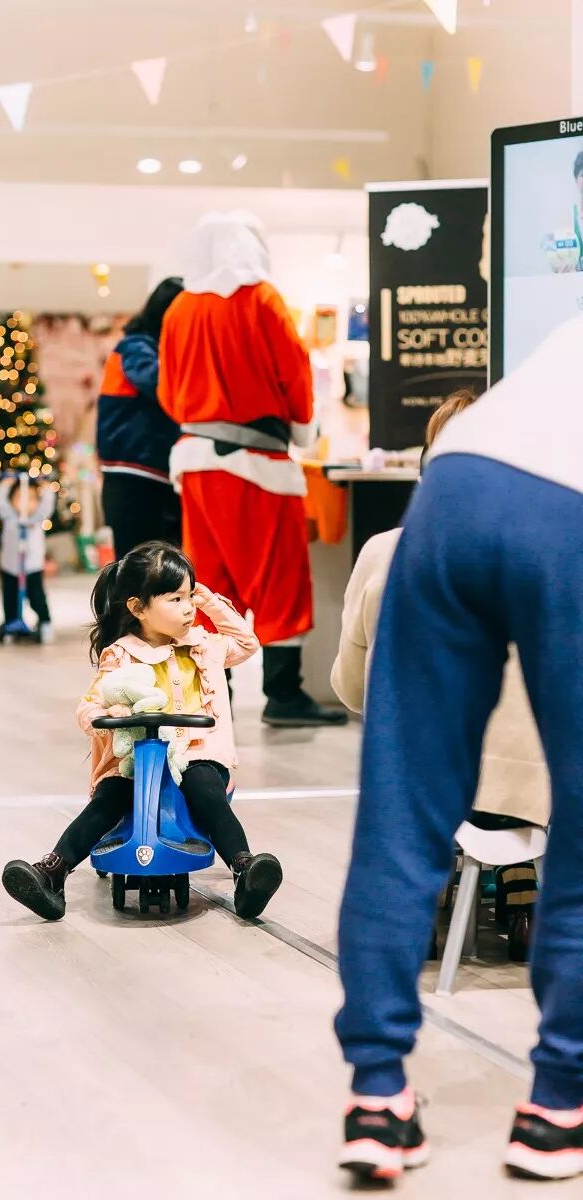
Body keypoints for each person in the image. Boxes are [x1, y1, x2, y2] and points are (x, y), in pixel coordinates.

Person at [333, 315, 583, 1183]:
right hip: (571, 509)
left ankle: (376, 1097)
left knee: (403, 809)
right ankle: (558, 1105)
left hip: (458, 483)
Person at [331, 389, 549, 971]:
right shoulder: (544, 558)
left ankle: (431, 892)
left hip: (422, 784)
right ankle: (521, 891)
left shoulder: (383, 553)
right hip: (527, 791)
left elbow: (351, 689)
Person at [1, 542, 284, 921]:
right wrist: (104, 714)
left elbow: (247, 643)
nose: (188, 608)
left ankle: (244, 869)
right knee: (110, 798)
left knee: (204, 789)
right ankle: (52, 871)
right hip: (135, 760)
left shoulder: (203, 645)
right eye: (175, 599)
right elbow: (90, 703)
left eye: (189, 596)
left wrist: (208, 601)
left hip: (196, 754)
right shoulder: (121, 654)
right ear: (138, 608)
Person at [158, 212, 347, 729]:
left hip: (196, 463)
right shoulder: (262, 299)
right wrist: (304, 428)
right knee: (280, 578)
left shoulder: (180, 308)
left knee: (208, 581)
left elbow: (168, 391)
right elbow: (294, 372)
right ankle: (283, 693)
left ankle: (209, 694)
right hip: (260, 463)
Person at [97, 277, 183, 558]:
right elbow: (160, 384)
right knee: (141, 569)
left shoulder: (143, 348)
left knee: (158, 569)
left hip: (150, 477)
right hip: (135, 478)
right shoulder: (135, 347)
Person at [0, 474, 55, 643]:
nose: (24, 503)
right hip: (11, 567)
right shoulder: (9, 517)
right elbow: (1, 503)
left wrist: (46, 489)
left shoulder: (37, 518)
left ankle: (45, 622)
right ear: (12, 500)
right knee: (10, 598)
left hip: (32, 567)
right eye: (19, 498)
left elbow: (47, 505)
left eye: (30, 498)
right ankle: (11, 622)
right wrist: (4, 486)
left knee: (37, 597)